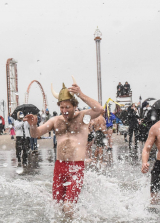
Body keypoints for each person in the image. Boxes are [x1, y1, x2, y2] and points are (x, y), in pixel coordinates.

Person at [25, 79, 103, 214]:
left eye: (68, 107)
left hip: (76, 166)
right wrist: (32, 125)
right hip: (59, 167)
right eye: (62, 107)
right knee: (58, 207)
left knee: (68, 207)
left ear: (74, 106)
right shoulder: (55, 121)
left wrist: (81, 94)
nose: (64, 110)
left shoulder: (83, 118)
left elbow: (99, 109)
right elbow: (35, 134)